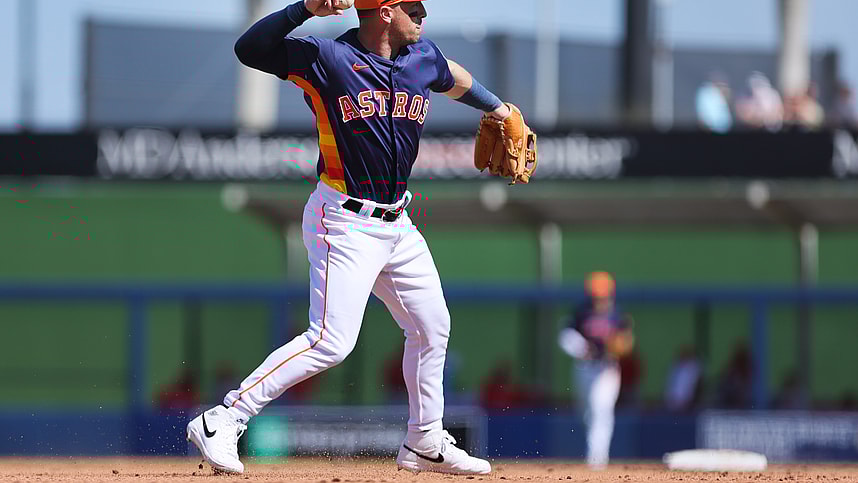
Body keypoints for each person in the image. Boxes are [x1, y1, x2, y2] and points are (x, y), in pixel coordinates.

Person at [186, 0, 518, 475]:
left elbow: (453, 76)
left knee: (432, 327)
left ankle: (424, 440)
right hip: (343, 219)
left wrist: (499, 108)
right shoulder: (328, 58)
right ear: (384, 12)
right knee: (331, 341)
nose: (422, 16)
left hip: (398, 223)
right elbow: (250, 49)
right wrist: (305, 8)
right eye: (413, 8)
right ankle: (224, 418)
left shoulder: (421, 56)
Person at [557, 271, 634, 469]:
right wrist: (581, 347)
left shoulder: (617, 314)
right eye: (596, 293)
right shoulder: (582, 311)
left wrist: (619, 345)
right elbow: (565, 335)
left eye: (602, 293)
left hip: (606, 369)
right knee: (584, 413)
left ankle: (597, 458)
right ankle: (595, 454)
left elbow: (627, 343)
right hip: (584, 368)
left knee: (601, 409)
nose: (599, 297)